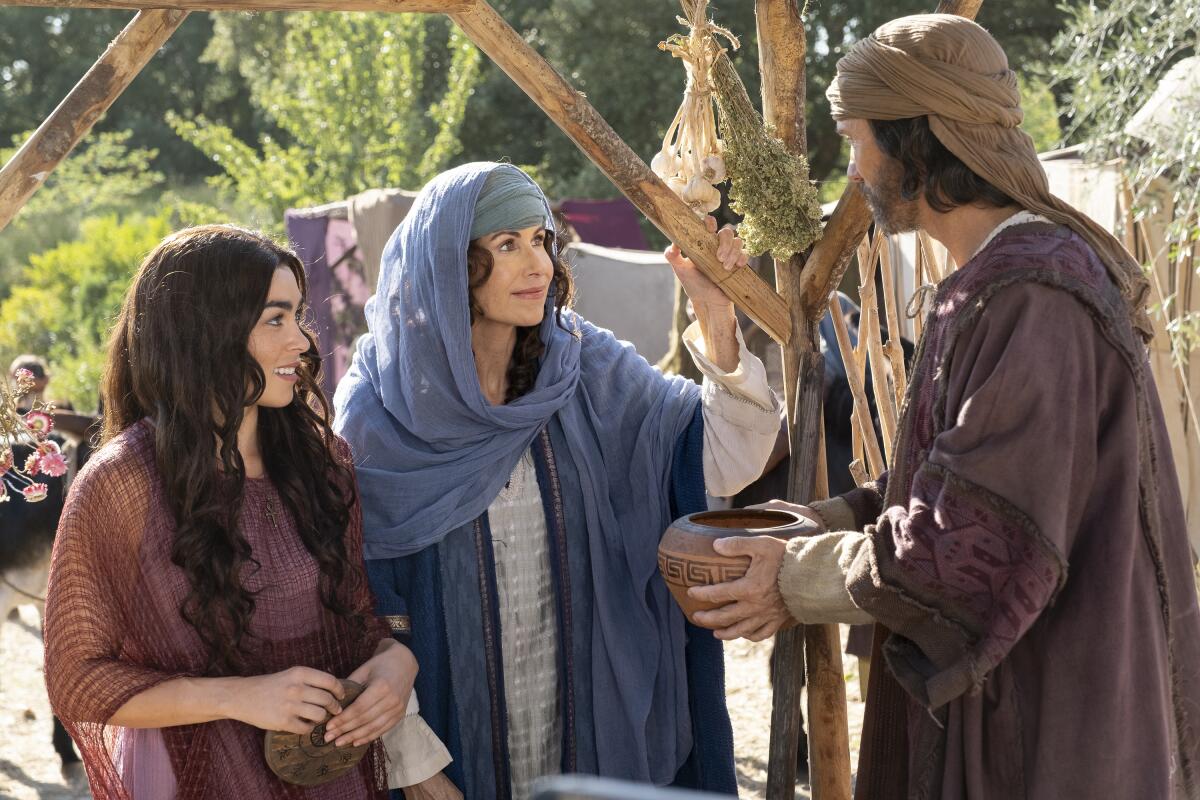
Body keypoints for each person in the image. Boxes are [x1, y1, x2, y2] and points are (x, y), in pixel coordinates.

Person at [687, 15, 1200, 800]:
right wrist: (819, 521)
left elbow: (975, 545)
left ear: (918, 142)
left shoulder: (1035, 298)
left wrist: (793, 578)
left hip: (1041, 725)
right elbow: (947, 481)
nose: (852, 170)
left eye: (859, 142)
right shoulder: (992, 284)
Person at [333, 162, 781, 799]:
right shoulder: (381, 409)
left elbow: (727, 460)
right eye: (506, 245)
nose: (537, 264)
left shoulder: (585, 370)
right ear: (447, 264)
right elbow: (356, 601)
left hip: (585, 730)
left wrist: (716, 316)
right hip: (440, 746)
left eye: (541, 240)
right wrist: (416, 767)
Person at [42, 225, 438, 799]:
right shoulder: (122, 483)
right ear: (205, 332)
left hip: (332, 776)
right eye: (275, 319)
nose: (302, 341)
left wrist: (395, 662)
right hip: (198, 780)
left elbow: (357, 615)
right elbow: (76, 681)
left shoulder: (322, 460)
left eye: (299, 316)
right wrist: (236, 695)